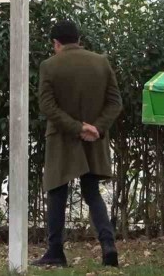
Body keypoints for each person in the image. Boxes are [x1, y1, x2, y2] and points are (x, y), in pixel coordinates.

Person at [32, 20, 123, 268]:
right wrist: (96, 128)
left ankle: (55, 251)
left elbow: (47, 106)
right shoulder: (101, 62)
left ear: (56, 43)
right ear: (79, 39)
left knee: (57, 191)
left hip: (62, 137)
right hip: (94, 138)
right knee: (92, 192)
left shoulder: (49, 66)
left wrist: (76, 127)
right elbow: (115, 103)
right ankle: (108, 246)